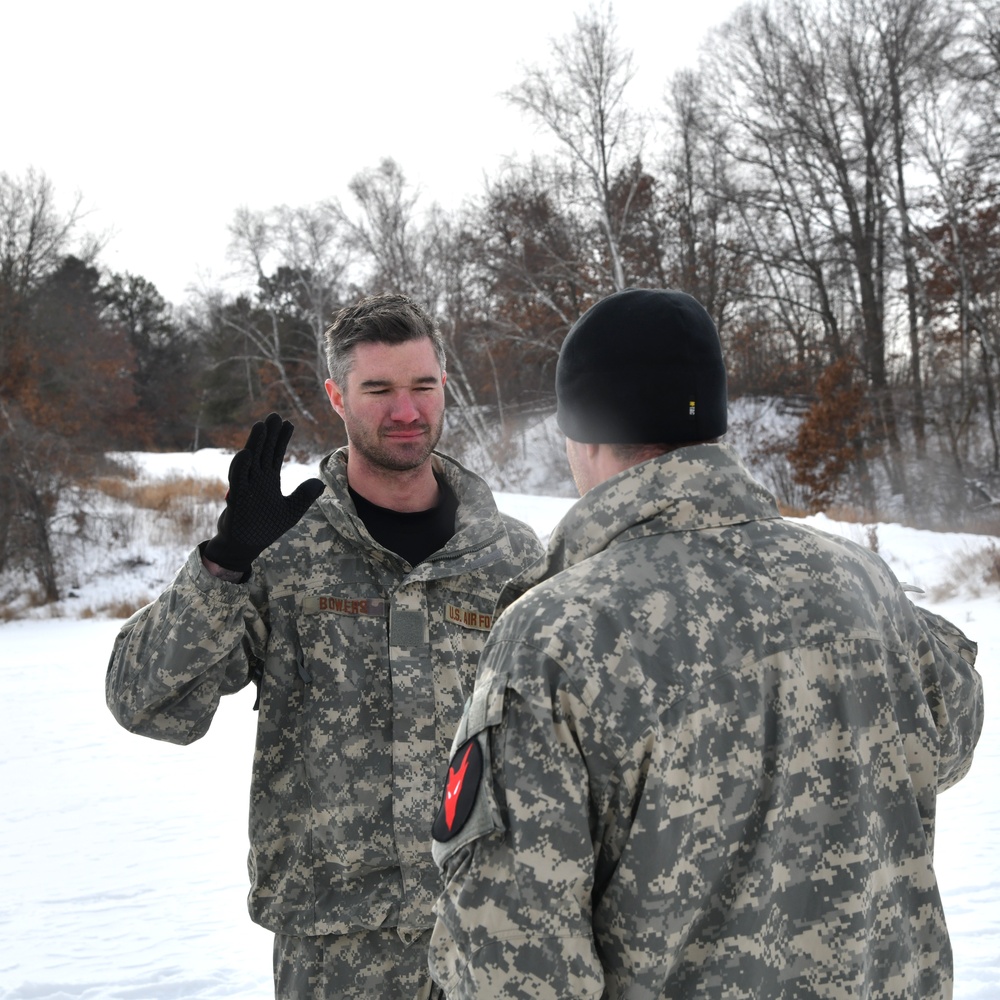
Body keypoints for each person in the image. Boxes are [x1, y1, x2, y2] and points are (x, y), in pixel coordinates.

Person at [428, 288, 984, 999]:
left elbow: (514, 957)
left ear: (580, 431)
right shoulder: (861, 580)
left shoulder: (553, 630)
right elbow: (953, 737)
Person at [106, 293, 544, 1000]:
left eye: (422, 386)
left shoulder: (511, 558)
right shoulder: (282, 551)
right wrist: (224, 564)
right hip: (335, 953)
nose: (406, 411)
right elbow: (146, 704)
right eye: (379, 390)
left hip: (493, 937)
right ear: (337, 396)